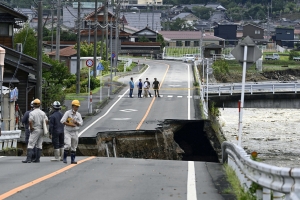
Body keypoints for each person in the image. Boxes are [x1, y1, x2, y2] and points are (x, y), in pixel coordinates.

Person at [22, 99, 48, 163]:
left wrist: (31, 128)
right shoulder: (43, 113)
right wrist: (44, 126)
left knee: (30, 144)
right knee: (39, 144)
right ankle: (37, 159)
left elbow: (30, 121)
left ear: (33, 105)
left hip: (35, 129)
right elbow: (46, 120)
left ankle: (28, 159)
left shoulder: (32, 113)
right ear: (40, 105)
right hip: (41, 129)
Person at [60, 100, 83, 164]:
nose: (77, 108)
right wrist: (70, 124)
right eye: (76, 107)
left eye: (78, 107)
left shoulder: (78, 114)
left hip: (75, 132)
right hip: (68, 131)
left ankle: (73, 160)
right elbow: (62, 121)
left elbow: (81, 123)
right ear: (72, 106)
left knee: (74, 146)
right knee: (68, 145)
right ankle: (64, 158)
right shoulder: (67, 113)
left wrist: (76, 123)